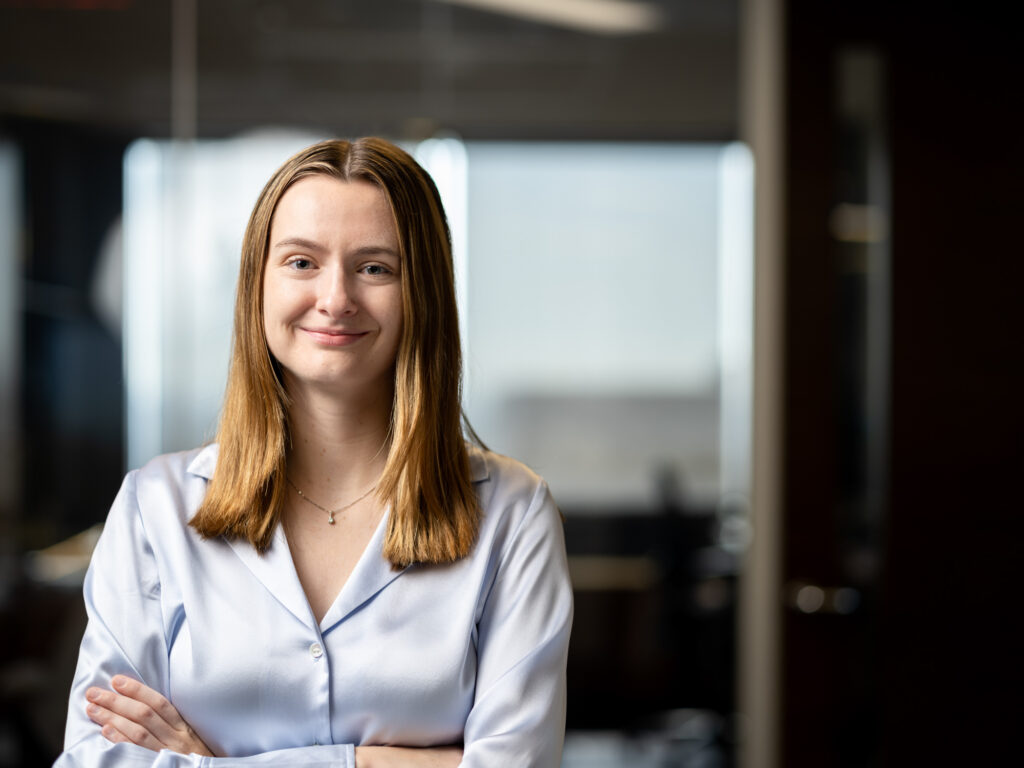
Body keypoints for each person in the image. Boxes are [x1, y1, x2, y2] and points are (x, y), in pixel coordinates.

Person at [55, 138, 573, 767]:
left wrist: (208, 762)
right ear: (258, 286)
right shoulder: (155, 508)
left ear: (424, 294)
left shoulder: (514, 514)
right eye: (301, 262)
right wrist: (381, 762)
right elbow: (95, 760)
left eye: (376, 267)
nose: (335, 298)